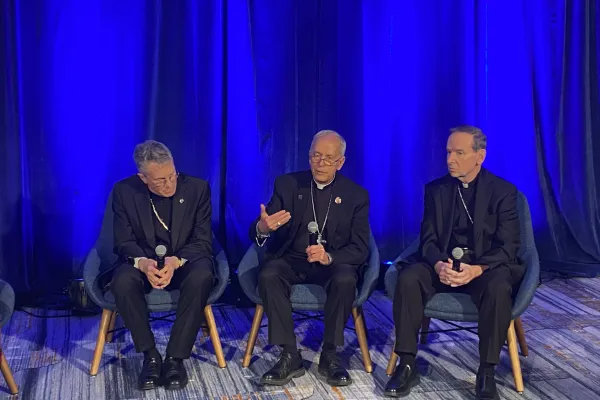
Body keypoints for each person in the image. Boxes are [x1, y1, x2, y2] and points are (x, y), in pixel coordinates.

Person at [384, 126, 524, 399]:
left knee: (499, 287)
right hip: (443, 265)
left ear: (480, 156)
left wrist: (476, 269)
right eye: (449, 152)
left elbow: (508, 246)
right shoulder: (436, 190)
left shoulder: (503, 192)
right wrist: (438, 265)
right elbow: (427, 240)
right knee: (409, 278)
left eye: (459, 153)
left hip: (483, 268)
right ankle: (407, 364)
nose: (450, 159)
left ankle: (486, 372)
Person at [250, 130, 370, 387]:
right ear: (308, 156)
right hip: (292, 258)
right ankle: (289, 354)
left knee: (346, 279)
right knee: (269, 274)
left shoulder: (356, 195)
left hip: (332, 262)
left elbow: (360, 249)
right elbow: (262, 224)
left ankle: (330, 354)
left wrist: (329, 257)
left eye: (328, 158)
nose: (320, 163)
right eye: (316, 156)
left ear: (340, 162)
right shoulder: (287, 185)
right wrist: (263, 228)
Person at [110, 140, 214, 391]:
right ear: (143, 178)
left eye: (172, 176)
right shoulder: (124, 191)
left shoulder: (198, 189)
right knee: (122, 281)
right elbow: (123, 242)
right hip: (143, 261)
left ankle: (175, 358)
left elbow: (202, 241)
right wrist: (144, 264)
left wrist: (175, 261)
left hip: (182, 261)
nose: (169, 184)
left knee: (202, 275)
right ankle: (150, 356)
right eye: (160, 181)